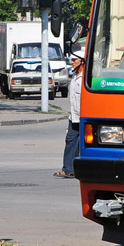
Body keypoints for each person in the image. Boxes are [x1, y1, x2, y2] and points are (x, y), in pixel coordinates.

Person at [54, 51, 84, 179]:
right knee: (70, 140)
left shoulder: (85, 78)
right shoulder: (74, 76)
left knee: (84, 144)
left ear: (82, 61)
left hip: (84, 116)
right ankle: (68, 169)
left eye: (74, 60)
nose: (71, 63)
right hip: (74, 116)